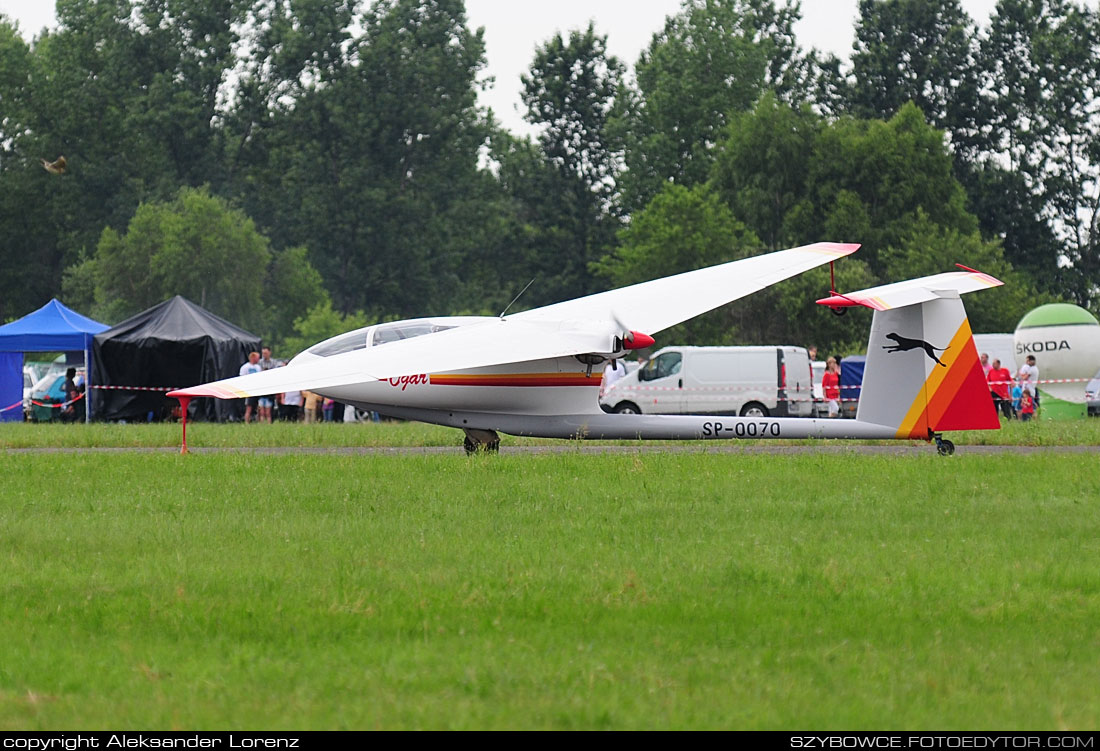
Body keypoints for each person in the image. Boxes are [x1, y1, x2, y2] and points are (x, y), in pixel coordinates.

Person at [239, 351, 261, 423]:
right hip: (249, 391)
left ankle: (258, 421)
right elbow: (242, 377)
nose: (259, 359)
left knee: (258, 407)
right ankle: (247, 421)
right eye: (257, 358)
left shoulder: (258, 367)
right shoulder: (245, 367)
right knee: (249, 407)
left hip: (257, 390)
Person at [258, 347, 277, 423]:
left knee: (269, 410)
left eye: (265, 353)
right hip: (262, 388)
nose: (264, 355)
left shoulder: (274, 362)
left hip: (270, 388)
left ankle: (269, 422)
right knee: (261, 410)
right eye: (263, 353)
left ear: (269, 353)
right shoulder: (260, 362)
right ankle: (262, 423)